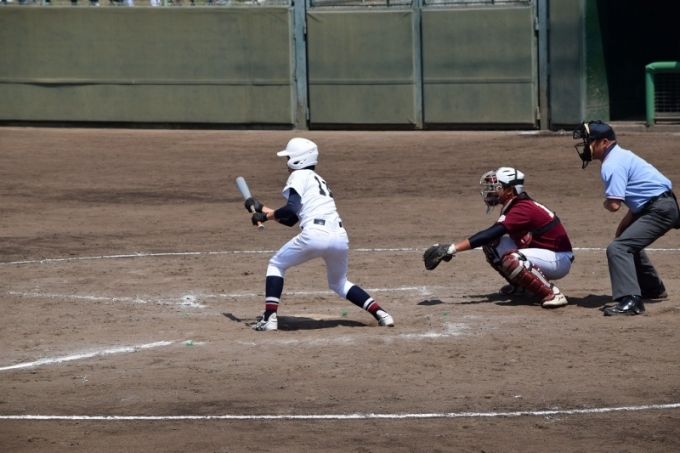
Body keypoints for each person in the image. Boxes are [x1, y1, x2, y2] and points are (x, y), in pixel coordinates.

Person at [243, 138, 395, 331]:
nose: (286, 162)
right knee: (339, 283)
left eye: (288, 158)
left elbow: (290, 209)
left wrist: (265, 216)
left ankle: (269, 318)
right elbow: (291, 219)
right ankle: (382, 314)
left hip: (316, 235)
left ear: (298, 160)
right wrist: (261, 208)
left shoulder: (298, 175)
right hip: (339, 236)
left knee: (276, 264)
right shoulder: (318, 180)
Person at [424, 167, 573, 309]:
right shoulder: (515, 205)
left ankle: (553, 293)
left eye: (496, 187)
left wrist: (452, 249)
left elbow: (490, 233)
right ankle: (522, 287)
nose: (492, 190)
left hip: (558, 259)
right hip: (543, 253)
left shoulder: (522, 208)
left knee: (513, 259)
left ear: (509, 190)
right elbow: (491, 238)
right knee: (492, 245)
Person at [572, 120, 679, 316]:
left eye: (589, 141)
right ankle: (652, 288)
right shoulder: (621, 155)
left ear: (604, 142)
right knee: (625, 241)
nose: (586, 145)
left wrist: (606, 203)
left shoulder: (612, 164)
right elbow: (640, 199)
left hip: (659, 209)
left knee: (618, 248)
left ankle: (632, 301)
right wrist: (624, 226)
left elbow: (614, 205)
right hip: (660, 205)